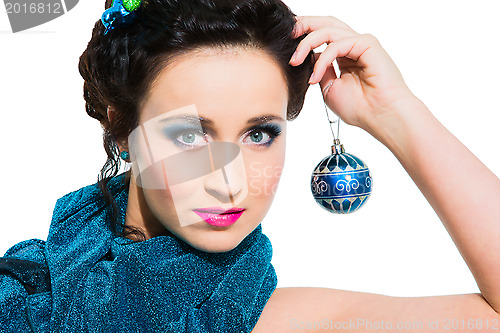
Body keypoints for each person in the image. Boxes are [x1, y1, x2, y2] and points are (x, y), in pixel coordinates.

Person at [1, 0, 499, 332]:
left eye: (260, 134)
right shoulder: (20, 294)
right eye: (190, 134)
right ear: (122, 129)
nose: (230, 181)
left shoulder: (283, 322)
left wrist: (396, 113)